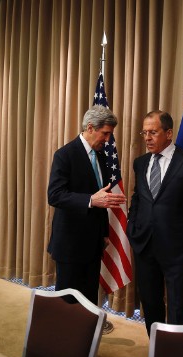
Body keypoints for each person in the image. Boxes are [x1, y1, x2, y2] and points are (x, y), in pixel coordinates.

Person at [126, 110, 183, 336]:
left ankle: (176, 350)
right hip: (144, 245)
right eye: (144, 132)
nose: (147, 138)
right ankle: (156, 346)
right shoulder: (140, 163)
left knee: (177, 306)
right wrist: (131, 227)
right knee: (150, 303)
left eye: (153, 132)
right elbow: (138, 198)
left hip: (177, 250)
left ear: (169, 133)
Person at [47, 105, 127, 305]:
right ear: (90, 128)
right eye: (105, 133)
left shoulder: (101, 156)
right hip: (70, 244)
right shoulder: (64, 155)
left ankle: (87, 332)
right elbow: (55, 196)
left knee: (89, 296)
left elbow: (102, 196)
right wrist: (91, 200)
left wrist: (104, 232)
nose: (108, 139)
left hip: (93, 242)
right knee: (68, 299)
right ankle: (67, 335)